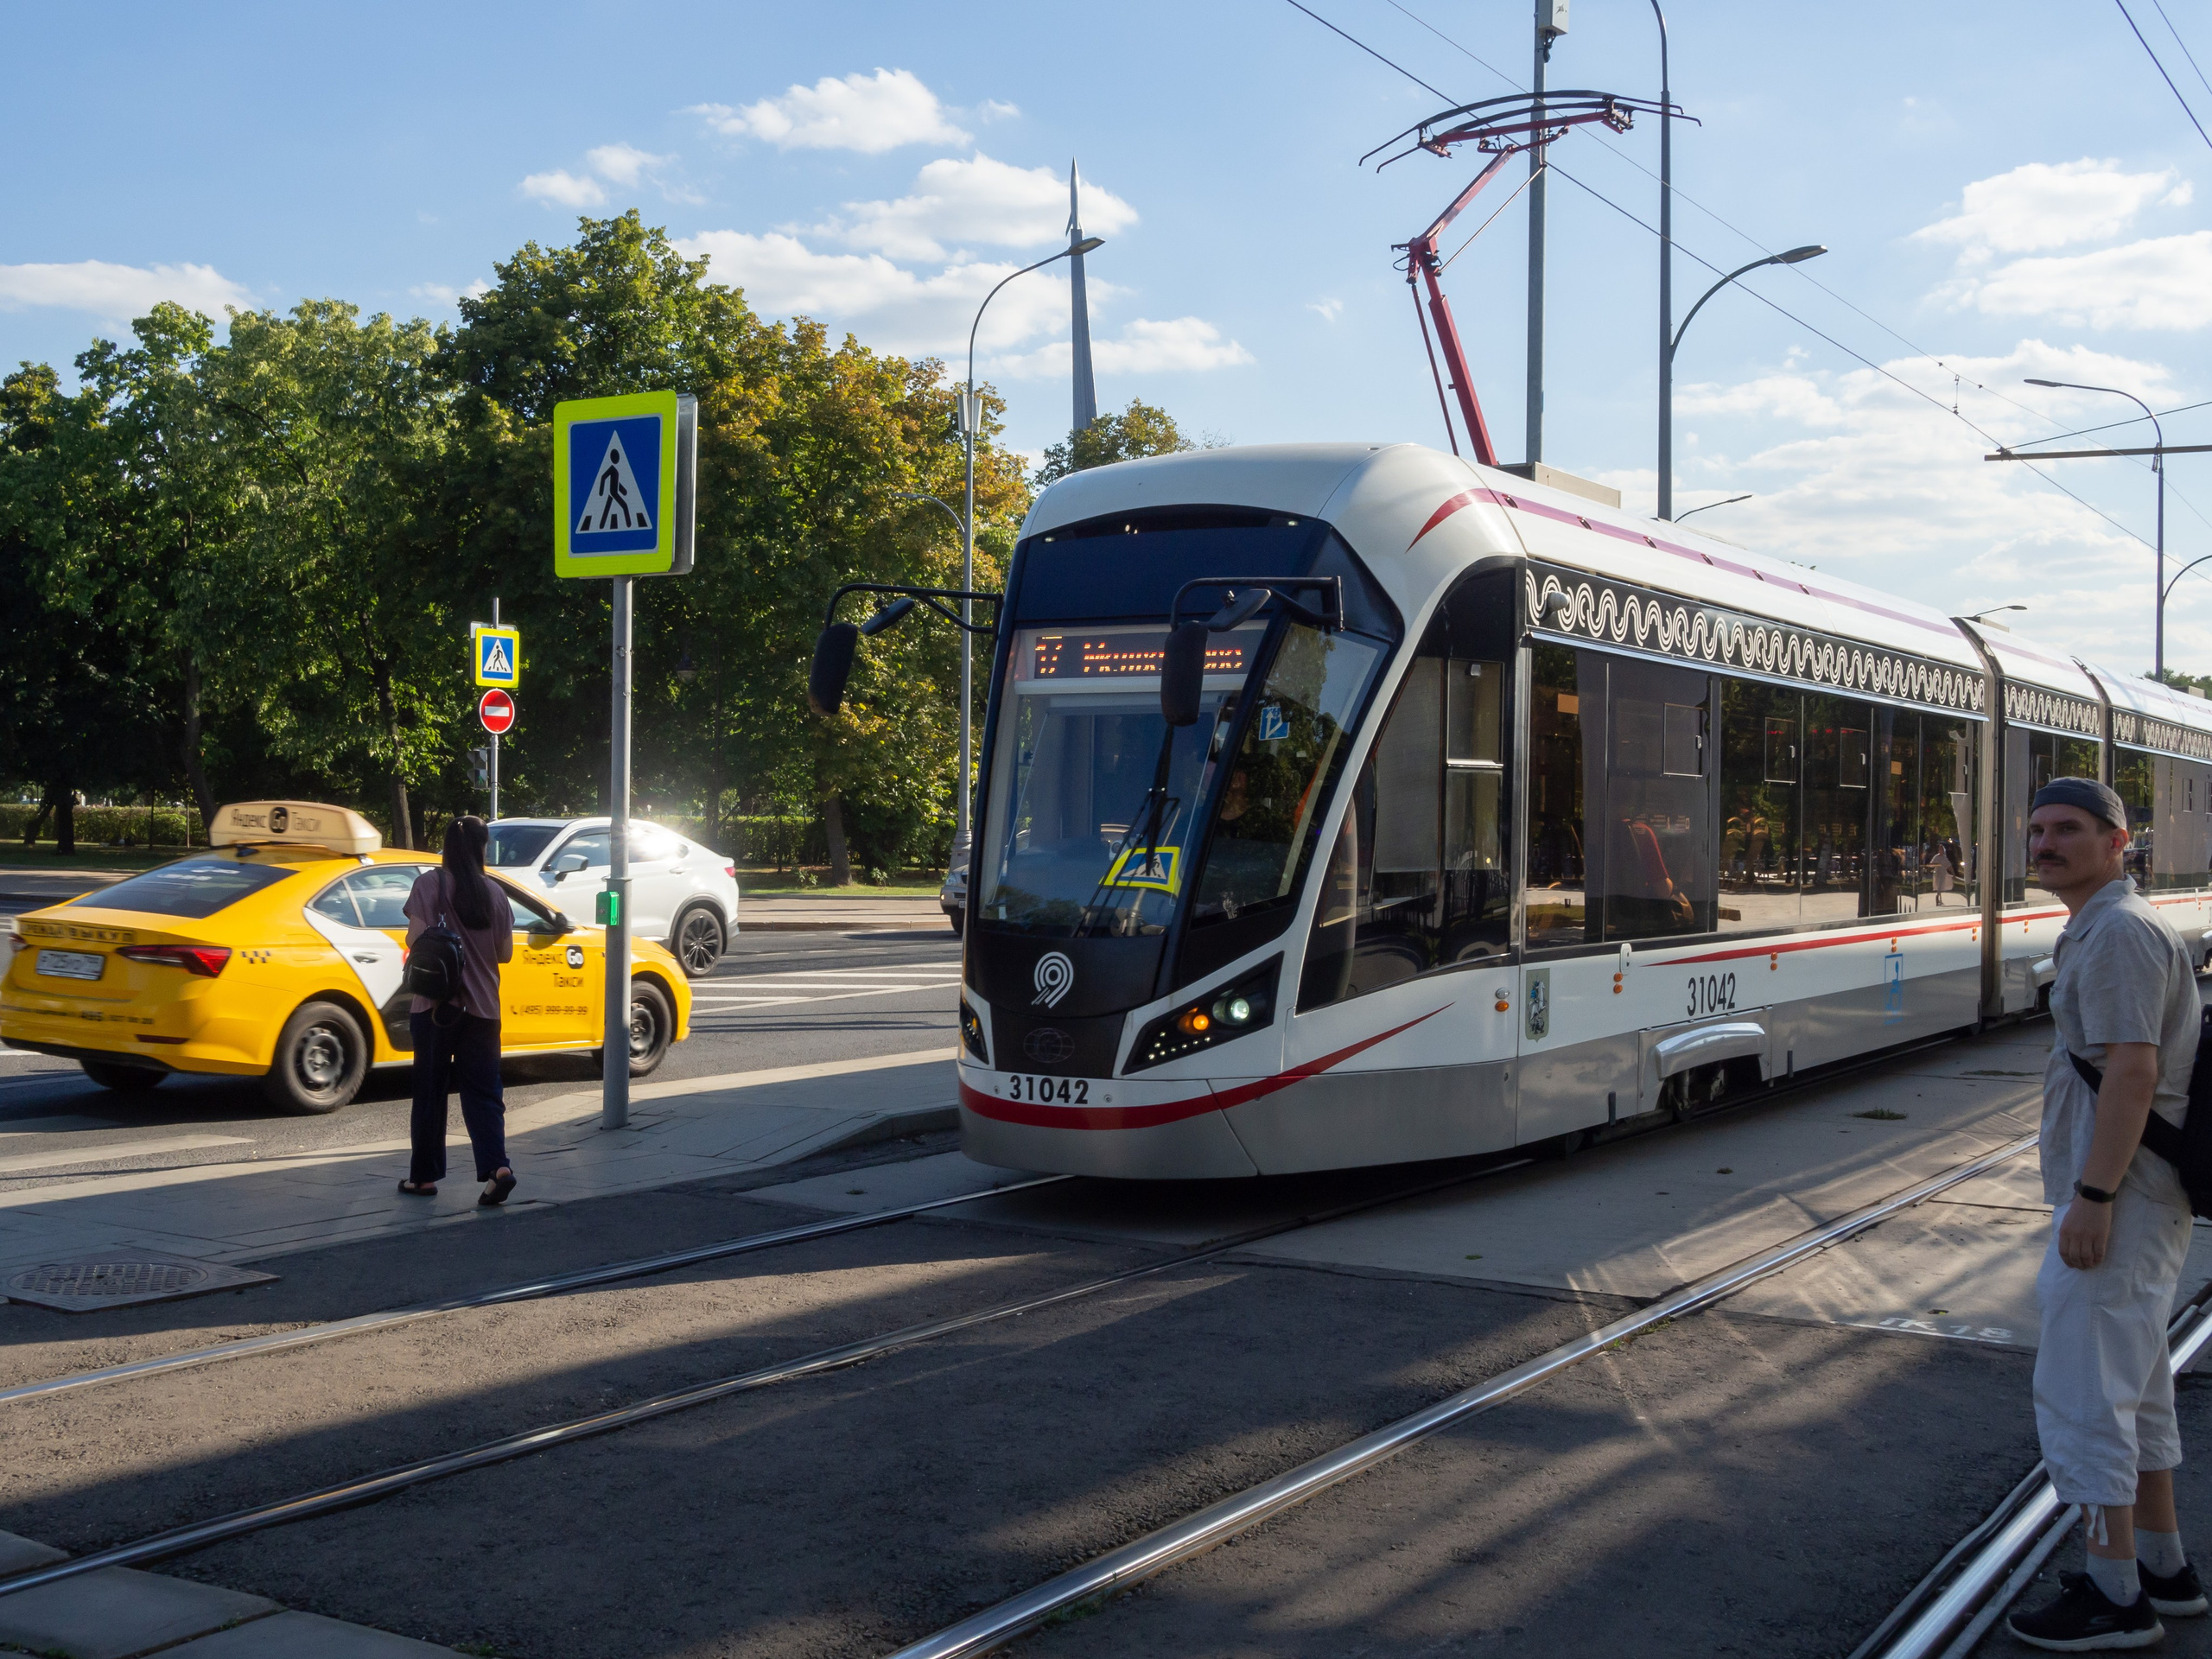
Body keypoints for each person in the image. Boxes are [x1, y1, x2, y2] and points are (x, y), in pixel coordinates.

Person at [2008, 776, 2204, 1650]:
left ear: (2117, 841)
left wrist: (2090, 1200)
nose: (2046, 842)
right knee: (2137, 1388)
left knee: (2085, 1392)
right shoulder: (2107, 923)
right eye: (2040, 828)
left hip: (2118, 1198)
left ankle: (2112, 1593)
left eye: (2070, 830)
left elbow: (2130, 1071)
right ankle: (2162, 1568)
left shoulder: (2120, 933)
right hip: (2129, 1195)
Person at [397, 816, 518, 1206]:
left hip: (434, 1007)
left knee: (430, 1092)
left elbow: (415, 938)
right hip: (483, 1009)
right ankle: (497, 1168)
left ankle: (424, 1178)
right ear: (482, 849)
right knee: (484, 1094)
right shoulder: (494, 893)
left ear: (447, 847)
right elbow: (504, 953)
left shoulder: (428, 885)